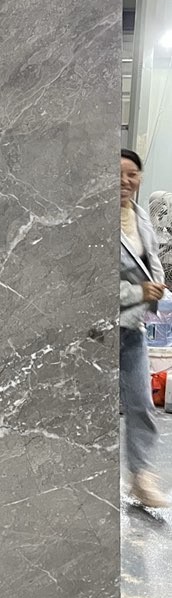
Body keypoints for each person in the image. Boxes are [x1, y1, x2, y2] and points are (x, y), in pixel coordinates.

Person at [120, 148, 169, 508]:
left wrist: (157, 286)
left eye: (132, 174)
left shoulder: (141, 217)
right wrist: (137, 292)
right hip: (97, 332)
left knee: (140, 403)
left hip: (133, 328)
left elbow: (152, 261)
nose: (125, 181)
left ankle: (141, 478)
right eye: (118, 174)